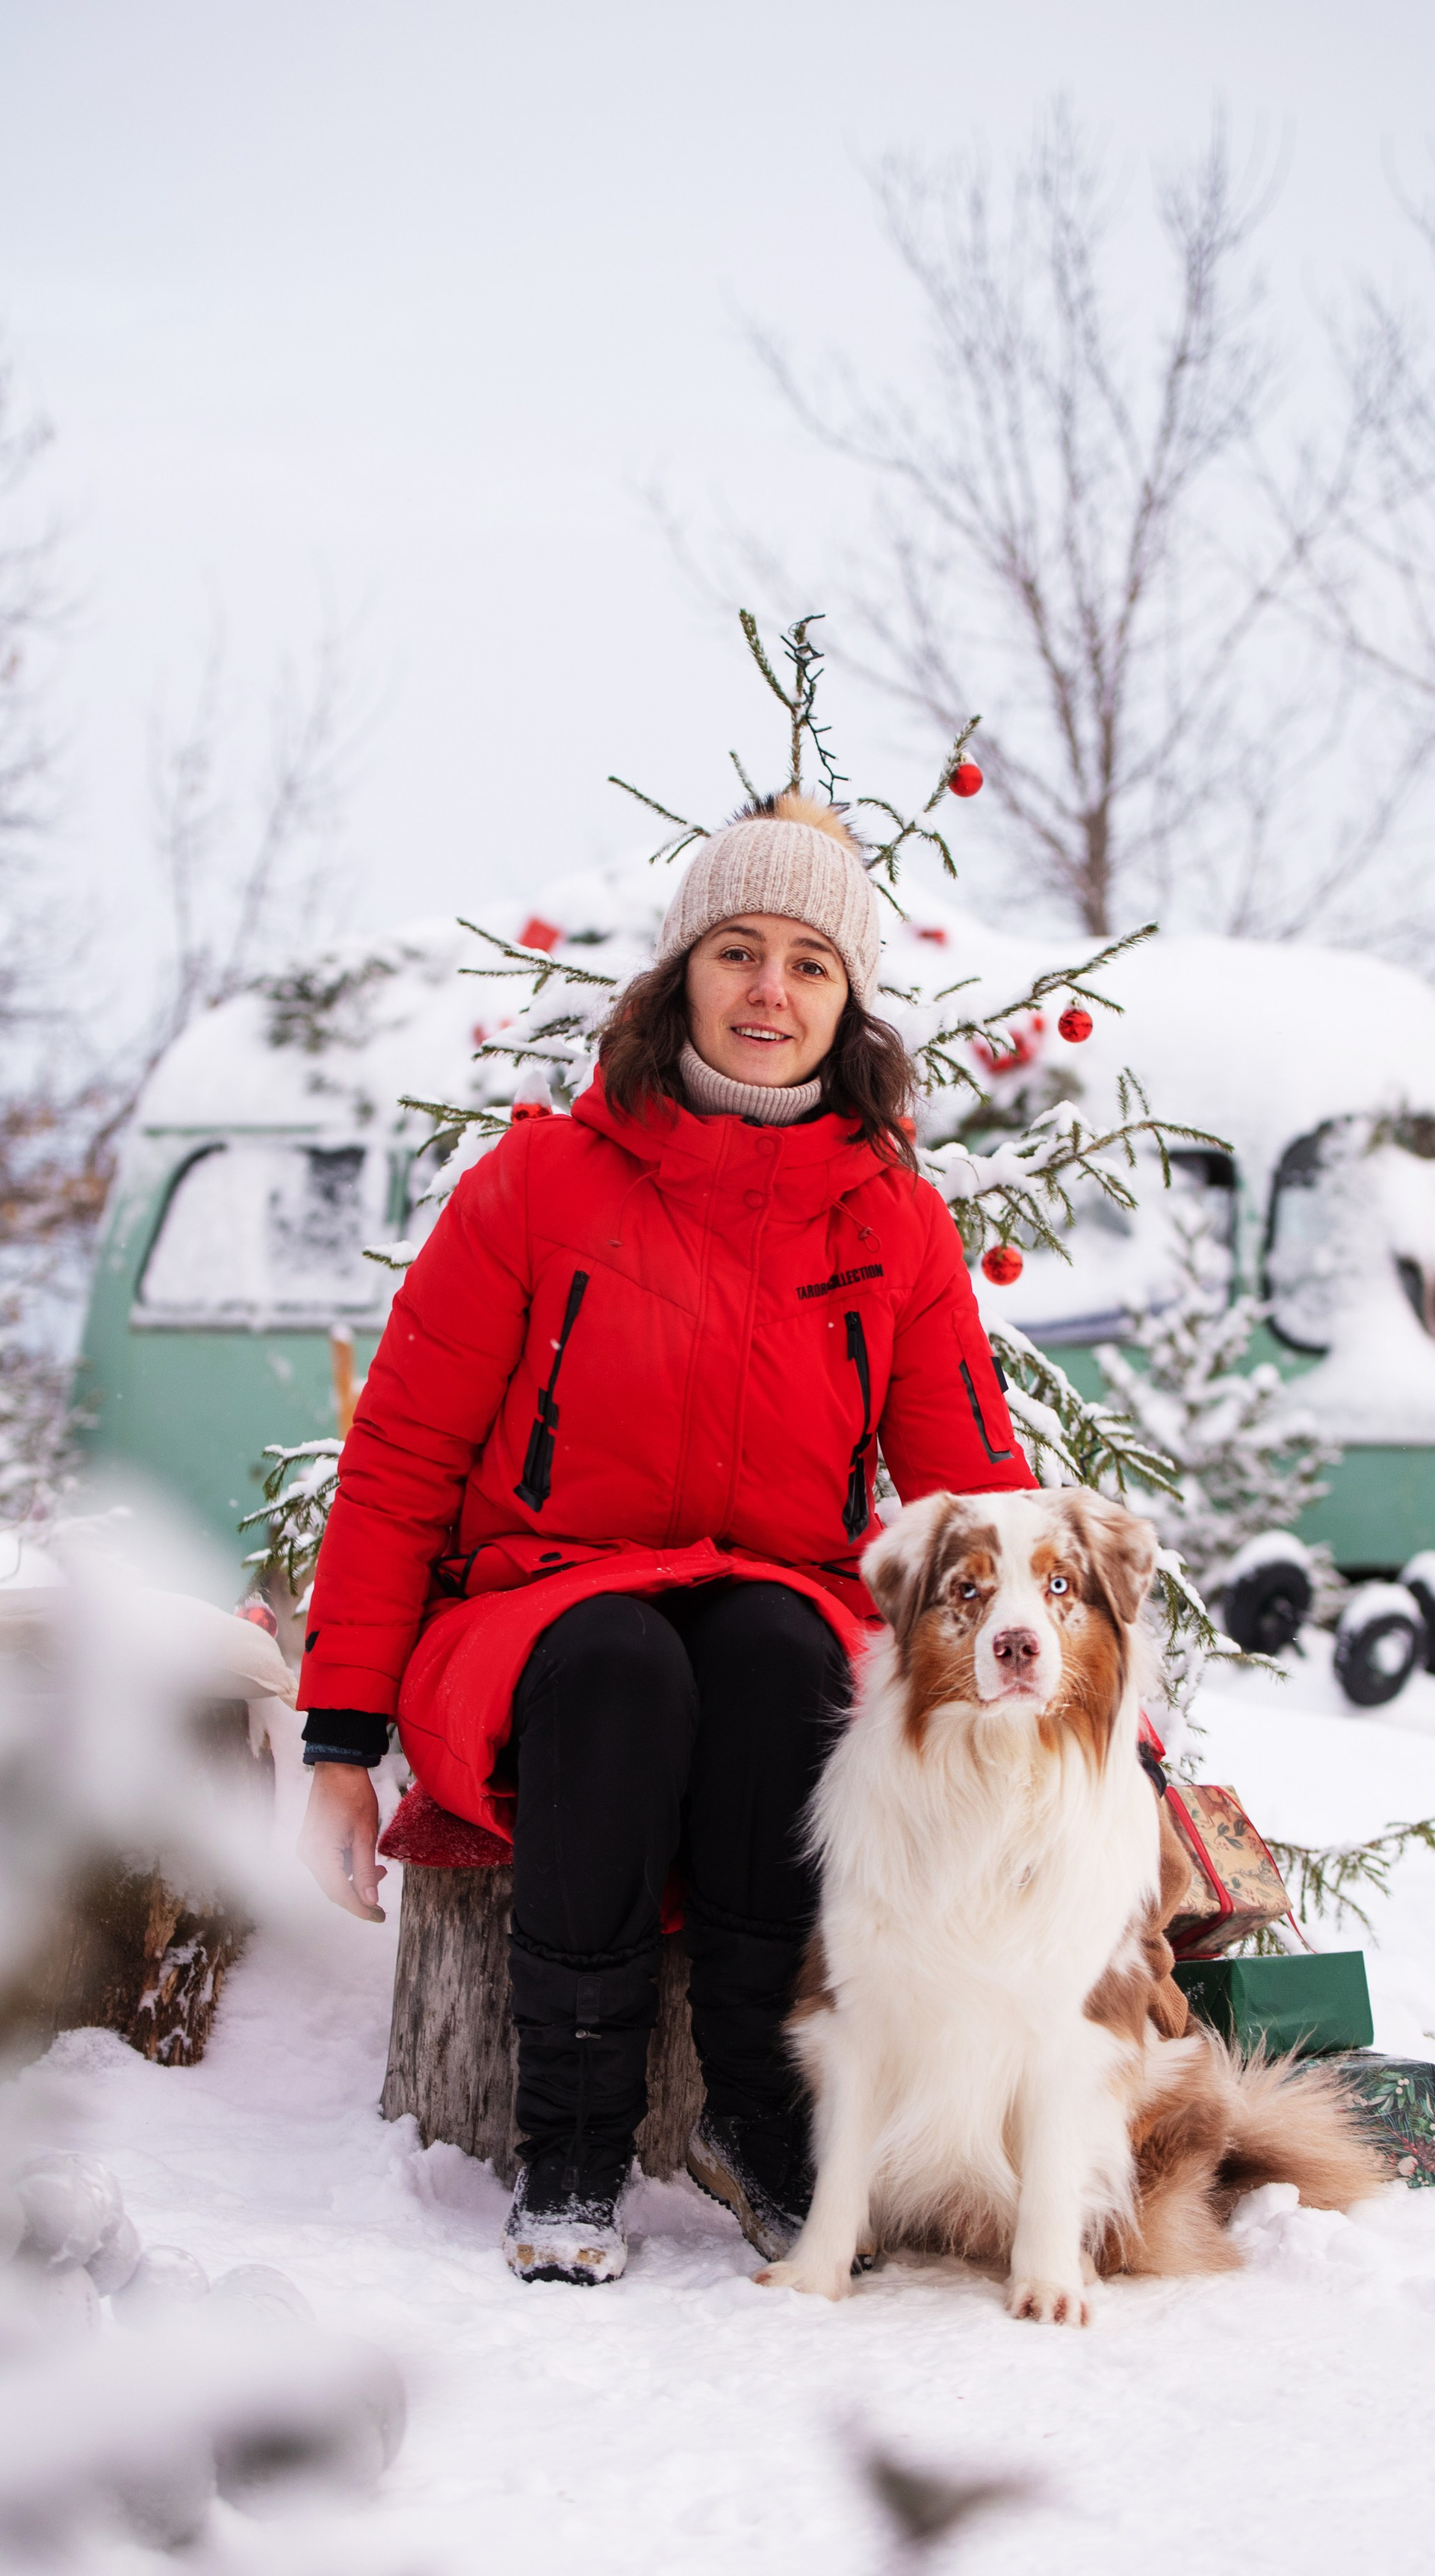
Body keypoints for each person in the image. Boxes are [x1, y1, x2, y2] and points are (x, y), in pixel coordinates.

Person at [296, 791, 1034, 2284]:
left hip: (771, 1599)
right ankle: (568, 2145)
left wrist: (1072, 1715)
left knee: (776, 1650)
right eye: (738, 951)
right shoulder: (536, 1186)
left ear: (850, 1002)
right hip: (538, 1614)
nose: (769, 992)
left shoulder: (889, 1218)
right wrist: (336, 1745)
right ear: (680, 971)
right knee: (619, 1657)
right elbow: (401, 1460)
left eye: (810, 964)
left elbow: (972, 1494)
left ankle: (756, 2120)